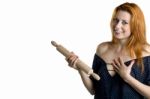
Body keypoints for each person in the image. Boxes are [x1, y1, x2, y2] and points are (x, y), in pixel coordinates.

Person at [66, 2, 150, 99]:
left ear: (136, 25)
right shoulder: (102, 49)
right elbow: (93, 90)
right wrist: (80, 68)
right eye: (116, 20)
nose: (117, 26)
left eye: (124, 22)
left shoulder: (146, 52)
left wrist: (127, 78)